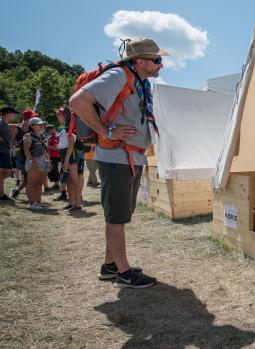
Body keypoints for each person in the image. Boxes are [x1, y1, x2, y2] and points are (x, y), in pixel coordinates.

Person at [69, 38, 167, 288]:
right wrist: (107, 131)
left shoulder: (137, 80)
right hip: (118, 157)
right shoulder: (120, 75)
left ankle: (110, 266)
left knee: (119, 215)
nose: (161, 65)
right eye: (156, 60)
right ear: (140, 61)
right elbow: (78, 102)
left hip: (129, 157)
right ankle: (124, 273)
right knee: (116, 217)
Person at [23, 117, 50, 209]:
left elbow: (45, 149)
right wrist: (32, 162)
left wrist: (48, 161)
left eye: (42, 124)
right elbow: (26, 150)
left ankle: (37, 202)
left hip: (42, 160)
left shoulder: (42, 135)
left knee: (39, 182)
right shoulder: (28, 136)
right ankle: (32, 203)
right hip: (33, 160)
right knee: (32, 182)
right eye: (39, 124)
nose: (42, 126)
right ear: (32, 126)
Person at [10, 110, 37, 199]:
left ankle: (16, 191)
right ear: (27, 118)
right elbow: (11, 141)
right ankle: (17, 192)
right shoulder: (17, 128)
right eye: (33, 117)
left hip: (29, 154)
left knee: (28, 177)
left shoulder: (32, 128)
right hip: (20, 155)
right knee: (27, 177)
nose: (35, 118)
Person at [0, 106, 18, 201]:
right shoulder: (1, 122)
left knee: (6, 173)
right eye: (13, 113)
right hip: (2, 151)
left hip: (5, 151)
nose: (15, 115)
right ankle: (1, 195)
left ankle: (2, 195)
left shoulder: (5, 123)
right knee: (4, 172)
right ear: (7, 114)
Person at [53, 108, 69, 201]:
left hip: (66, 153)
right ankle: (64, 194)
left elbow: (65, 144)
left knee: (65, 175)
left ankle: (66, 194)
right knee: (63, 175)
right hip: (64, 153)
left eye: (58, 115)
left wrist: (54, 146)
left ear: (63, 115)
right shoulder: (65, 127)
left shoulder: (68, 127)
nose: (57, 118)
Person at [46, 125, 61, 190]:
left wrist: (47, 146)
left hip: (54, 156)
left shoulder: (55, 137)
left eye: (48, 131)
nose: (47, 132)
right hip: (50, 156)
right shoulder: (51, 137)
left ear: (51, 130)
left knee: (54, 169)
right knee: (51, 170)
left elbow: (57, 148)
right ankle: (56, 184)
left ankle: (57, 184)